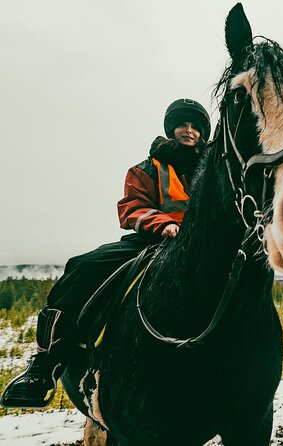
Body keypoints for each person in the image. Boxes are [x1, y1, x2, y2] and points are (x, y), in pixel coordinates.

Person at [1, 98, 211, 408]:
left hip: (203, 246)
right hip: (153, 241)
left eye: (195, 126)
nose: (189, 130)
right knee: (82, 267)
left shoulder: (215, 167)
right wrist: (163, 223)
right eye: (183, 124)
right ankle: (46, 365)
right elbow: (132, 208)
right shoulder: (147, 168)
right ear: (172, 129)